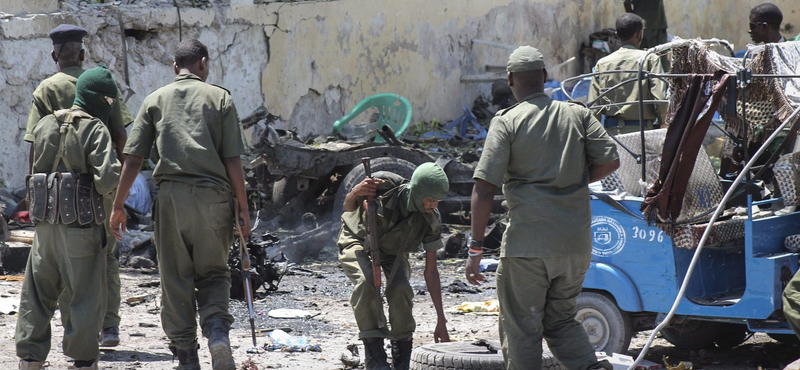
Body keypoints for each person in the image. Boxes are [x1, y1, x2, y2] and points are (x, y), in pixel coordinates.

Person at [465, 46, 620, 370]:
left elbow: (484, 186)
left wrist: (476, 248)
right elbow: (610, 160)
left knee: (521, 328)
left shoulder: (507, 121)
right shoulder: (577, 114)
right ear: (545, 78)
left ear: (510, 80)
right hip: (574, 246)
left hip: (527, 246)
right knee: (561, 320)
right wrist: (576, 181)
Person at [109, 39, 250, 370]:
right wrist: (243, 209)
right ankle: (217, 334)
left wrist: (117, 206)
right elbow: (233, 160)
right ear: (204, 63)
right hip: (214, 199)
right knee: (215, 273)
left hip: (171, 199)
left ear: (175, 67)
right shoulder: (220, 98)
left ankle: (186, 355)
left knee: (176, 278)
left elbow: (133, 159)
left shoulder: (155, 100)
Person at [23, 23, 133, 347]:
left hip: (58, 195)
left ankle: (67, 334)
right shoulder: (99, 83)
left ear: (54, 55)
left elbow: (34, 144)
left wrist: (33, 192)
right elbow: (122, 135)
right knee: (103, 257)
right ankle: (108, 327)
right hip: (97, 189)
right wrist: (120, 193)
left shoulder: (46, 89)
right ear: (82, 54)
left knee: (53, 267)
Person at [15, 66, 122, 370]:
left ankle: (30, 359)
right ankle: (84, 359)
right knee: (85, 295)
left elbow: (34, 168)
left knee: (37, 293)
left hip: (46, 229)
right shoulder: (96, 128)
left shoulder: (46, 124)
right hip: (82, 228)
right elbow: (107, 178)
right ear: (99, 99)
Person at [338, 162, 450, 370]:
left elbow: (431, 271)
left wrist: (441, 319)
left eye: (438, 202)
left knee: (400, 289)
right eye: (431, 199)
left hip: (393, 253)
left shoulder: (430, 220)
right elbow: (347, 207)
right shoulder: (383, 185)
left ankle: (401, 356)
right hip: (358, 241)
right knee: (367, 282)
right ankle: (375, 355)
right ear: (418, 191)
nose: (434, 205)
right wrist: (355, 192)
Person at [588, 13, 668, 135]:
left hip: (613, 134)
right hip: (644, 133)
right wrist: (664, 122)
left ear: (617, 35)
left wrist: (596, 138)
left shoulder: (602, 63)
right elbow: (660, 98)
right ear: (638, 34)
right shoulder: (649, 59)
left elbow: (594, 107)